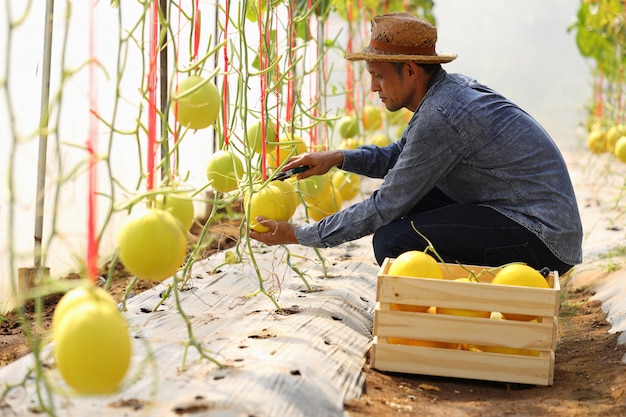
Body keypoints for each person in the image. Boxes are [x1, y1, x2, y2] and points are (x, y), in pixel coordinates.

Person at [249, 12, 583, 276]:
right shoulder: (447, 93)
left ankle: (485, 302)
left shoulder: (441, 116)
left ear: (409, 71)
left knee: (394, 241)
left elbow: (385, 205)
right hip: (528, 217)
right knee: (406, 215)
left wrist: (298, 235)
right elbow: (400, 156)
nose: (373, 88)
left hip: (542, 236)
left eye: (379, 76)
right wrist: (337, 158)